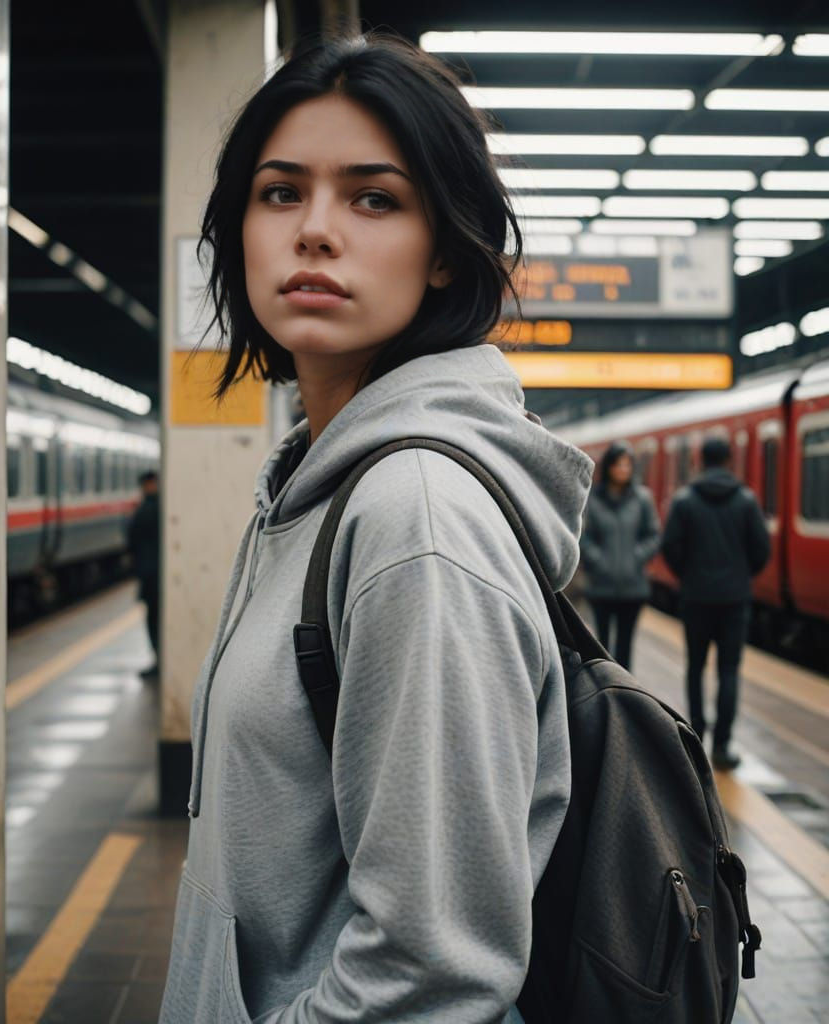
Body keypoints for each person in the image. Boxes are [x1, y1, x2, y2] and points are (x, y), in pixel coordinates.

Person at [159, 34, 593, 1024]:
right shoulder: (319, 487)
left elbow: (431, 970)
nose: (315, 230)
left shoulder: (412, 520)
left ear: (444, 251)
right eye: (279, 192)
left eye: (373, 198)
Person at [661, 436, 771, 771]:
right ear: (728, 461)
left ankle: (695, 736)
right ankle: (723, 746)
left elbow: (671, 548)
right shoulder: (747, 501)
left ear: (700, 460)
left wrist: (690, 576)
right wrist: (739, 576)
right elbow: (761, 551)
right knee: (729, 671)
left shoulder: (685, 500)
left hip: (696, 598)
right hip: (735, 600)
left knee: (695, 668)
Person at [578, 441, 660, 669]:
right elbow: (583, 536)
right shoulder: (592, 499)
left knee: (625, 648)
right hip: (601, 586)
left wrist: (636, 557)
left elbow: (653, 534)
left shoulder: (643, 499)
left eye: (627, 465)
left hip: (632, 587)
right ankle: (606, 693)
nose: (623, 469)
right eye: (618, 464)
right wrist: (598, 560)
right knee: (602, 647)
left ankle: (626, 696)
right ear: (609, 467)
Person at [126, 470, 160, 677]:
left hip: (150, 575)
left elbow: (132, 541)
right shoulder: (162, 507)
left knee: (153, 620)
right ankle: (160, 660)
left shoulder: (144, 510)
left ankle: (158, 661)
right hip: (157, 575)